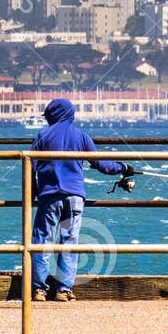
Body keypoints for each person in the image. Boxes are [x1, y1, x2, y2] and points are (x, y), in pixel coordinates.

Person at [29, 97, 134, 302]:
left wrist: (33, 192)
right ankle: (64, 289)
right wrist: (123, 167)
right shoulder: (81, 136)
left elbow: (29, 166)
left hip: (49, 197)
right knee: (70, 240)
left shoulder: (43, 135)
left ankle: (39, 289)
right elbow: (101, 164)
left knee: (42, 240)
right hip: (75, 197)